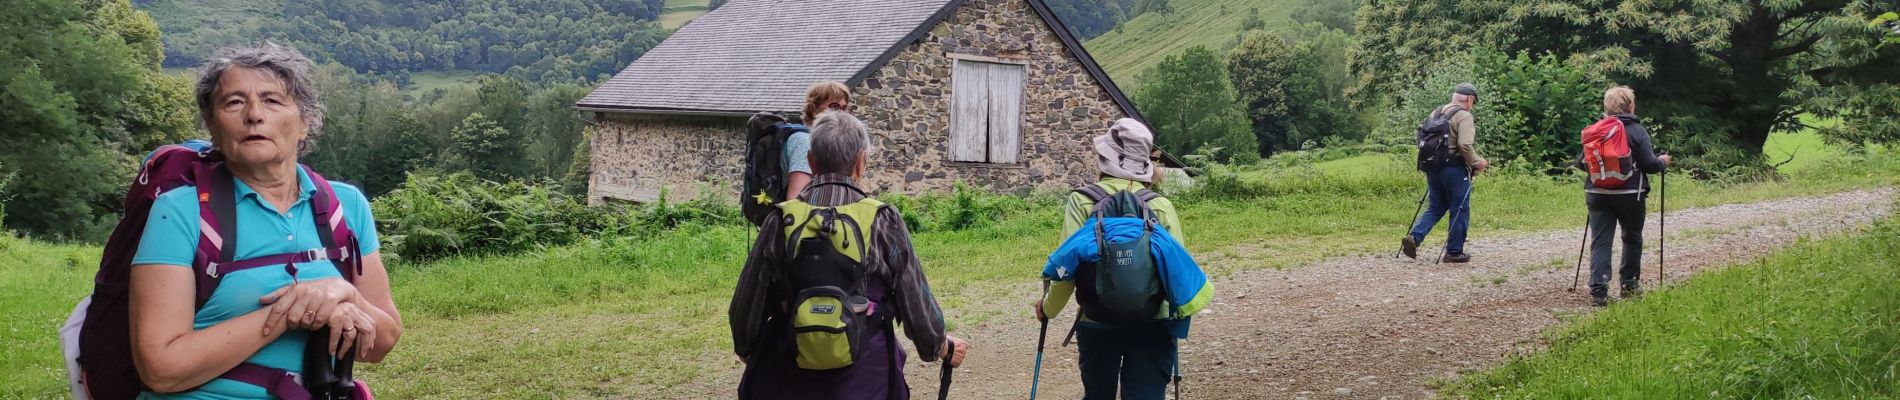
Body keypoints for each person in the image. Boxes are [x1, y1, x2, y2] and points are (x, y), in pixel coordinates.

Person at [128, 42, 402, 398]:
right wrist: (289, 313)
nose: (254, 114)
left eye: (272, 100)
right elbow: (160, 370)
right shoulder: (180, 211)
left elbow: (382, 344)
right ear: (213, 126)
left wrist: (344, 295)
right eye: (234, 102)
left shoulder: (345, 206)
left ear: (304, 123)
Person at [728, 110, 969, 399]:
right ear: (860, 162)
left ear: (811, 162)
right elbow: (916, 303)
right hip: (868, 380)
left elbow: (745, 304)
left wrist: (745, 347)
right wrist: (942, 347)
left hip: (786, 378)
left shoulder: (780, 219)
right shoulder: (884, 220)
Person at [1035, 118, 1198, 400]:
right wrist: (1178, 319)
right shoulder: (1160, 206)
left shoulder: (1081, 201)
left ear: (1104, 159)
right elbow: (1177, 271)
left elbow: (1067, 268)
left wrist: (1048, 309)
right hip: (1153, 323)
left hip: (1096, 320)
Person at [1578, 86, 1670, 307]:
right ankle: (1629, 285)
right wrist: (1663, 162)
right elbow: (1650, 165)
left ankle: (1598, 292)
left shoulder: (1596, 130)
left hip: (1598, 193)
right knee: (1632, 238)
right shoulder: (1638, 131)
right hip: (1631, 194)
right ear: (1631, 106)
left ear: (1606, 106)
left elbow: (1582, 162)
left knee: (1600, 241)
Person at [1401, 83, 1490, 263]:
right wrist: (1476, 162)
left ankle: (1414, 237)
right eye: (1474, 101)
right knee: (1459, 207)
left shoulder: (1436, 113)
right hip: (1454, 169)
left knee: (1436, 207)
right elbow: (1465, 144)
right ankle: (1454, 252)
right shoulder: (1464, 115)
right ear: (1469, 99)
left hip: (1433, 168)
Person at [783, 81, 853, 200]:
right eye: (834, 106)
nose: (840, 113)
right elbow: (795, 200)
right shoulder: (804, 141)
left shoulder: (821, 142)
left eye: (844, 108)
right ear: (814, 108)